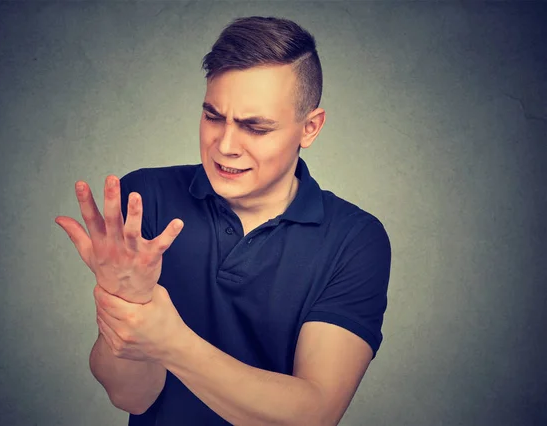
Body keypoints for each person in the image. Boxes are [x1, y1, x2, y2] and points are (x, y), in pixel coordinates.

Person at [55, 16, 391, 426]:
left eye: (256, 127)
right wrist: (126, 301)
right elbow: (132, 397)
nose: (225, 146)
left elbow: (313, 415)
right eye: (214, 117)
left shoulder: (355, 240)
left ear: (310, 128)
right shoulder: (145, 200)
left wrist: (168, 338)